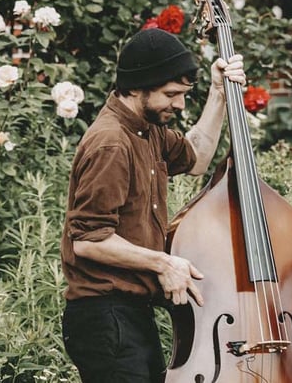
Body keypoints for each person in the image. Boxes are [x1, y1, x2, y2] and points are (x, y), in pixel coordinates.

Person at [60, 27, 245, 382]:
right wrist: (164, 262)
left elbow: (196, 159)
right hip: (104, 317)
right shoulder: (112, 143)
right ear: (135, 88)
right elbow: (87, 240)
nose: (180, 105)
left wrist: (219, 94)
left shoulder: (148, 129)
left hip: (130, 314)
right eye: (171, 94)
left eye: (183, 94)